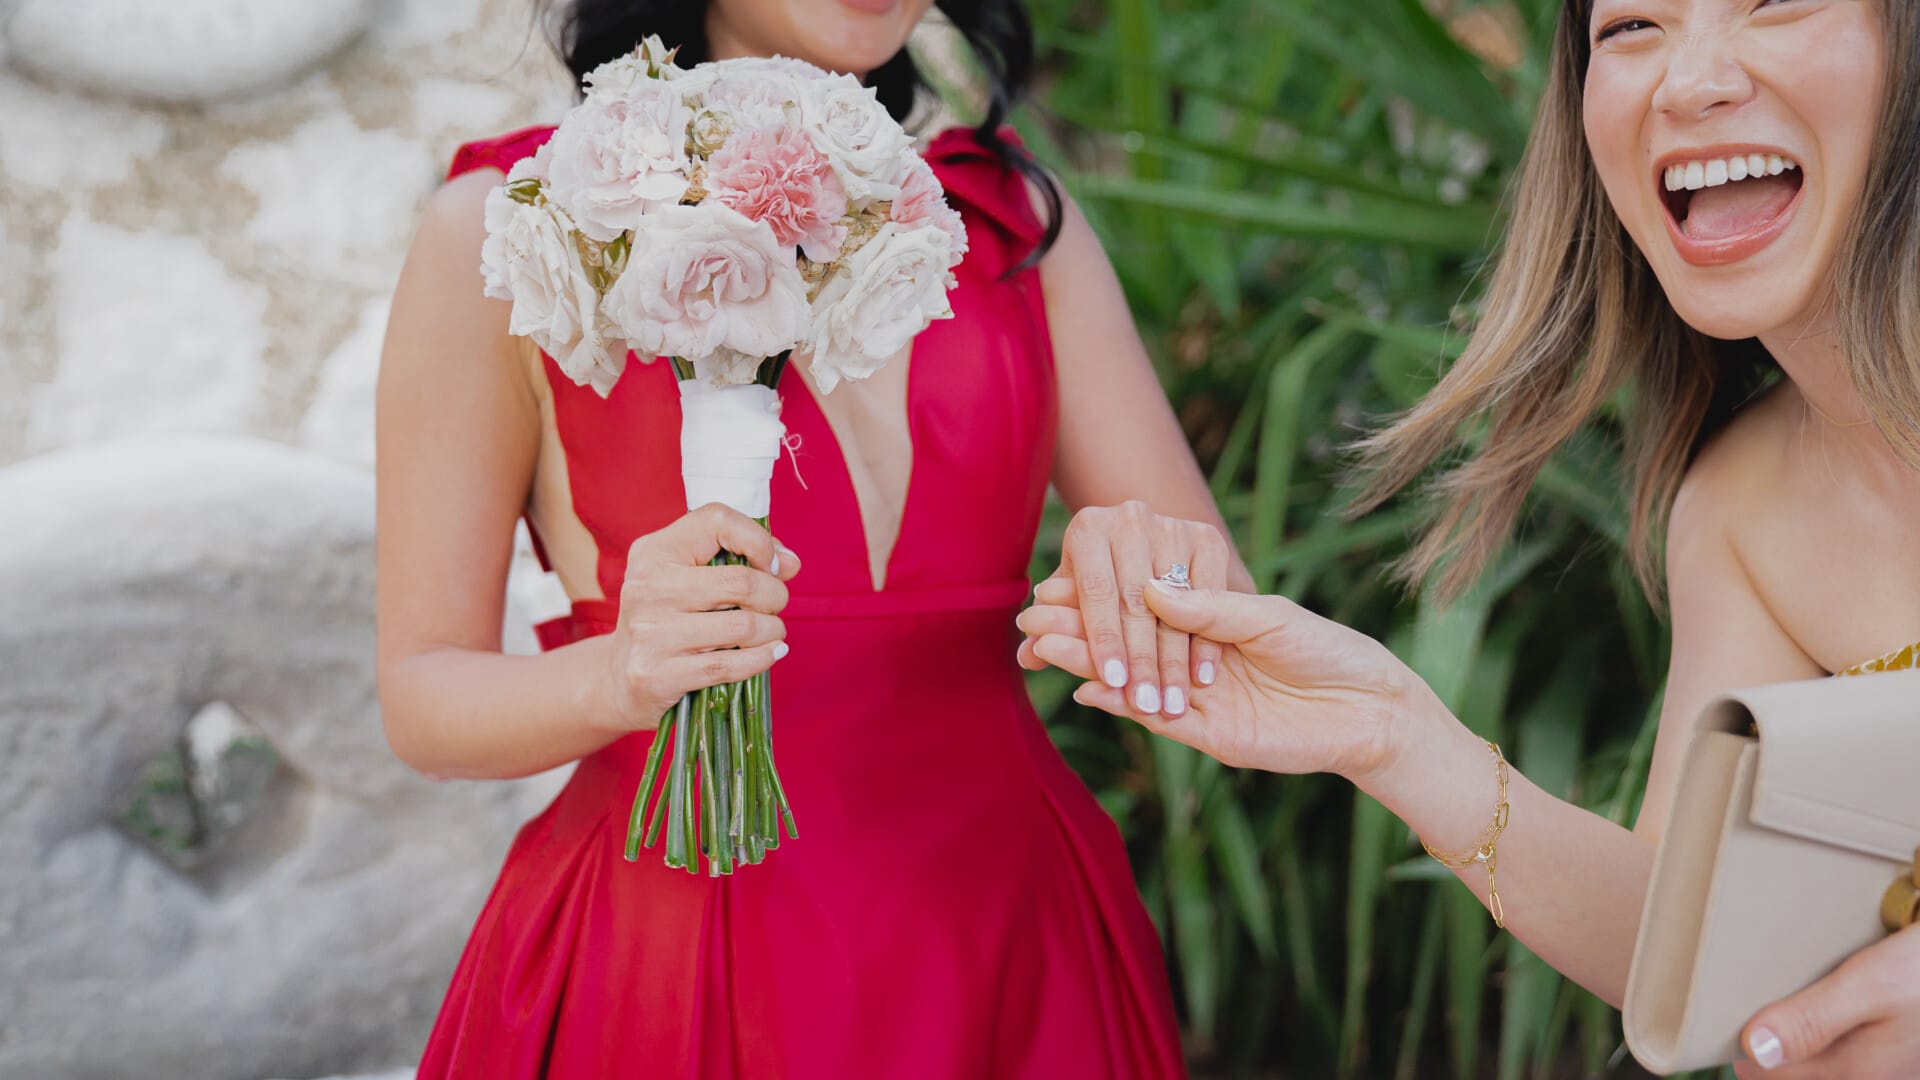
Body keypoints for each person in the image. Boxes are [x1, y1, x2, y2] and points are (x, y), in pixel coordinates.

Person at [1019, 1, 1920, 1076]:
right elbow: (1680, 948)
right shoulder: (1739, 507)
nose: (1690, 81)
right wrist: (1396, 738)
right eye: (1632, 25)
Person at [375, 0, 1244, 1075]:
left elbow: (1219, 621)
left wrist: (1146, 590)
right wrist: (623, 676)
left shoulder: (1015, 218)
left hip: (1015, 936)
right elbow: (423, 698)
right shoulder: (512, 227)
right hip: (679, 959)